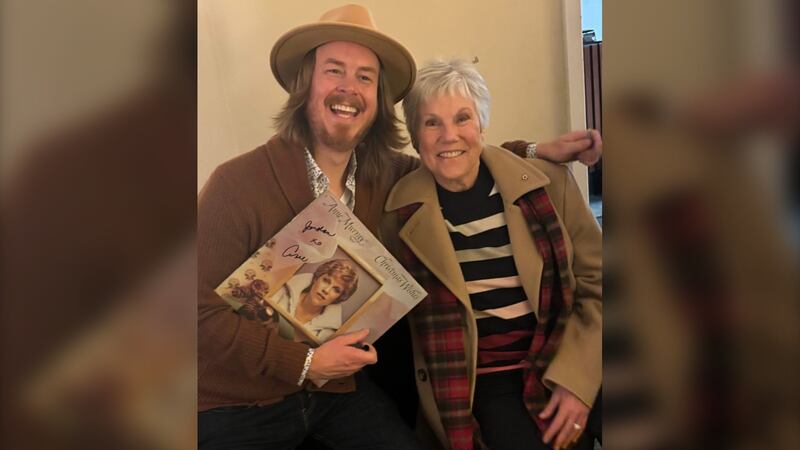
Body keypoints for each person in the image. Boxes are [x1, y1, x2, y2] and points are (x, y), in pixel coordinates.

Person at [198, 4, 601, 449]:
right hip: (238, 402)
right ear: (304, 84)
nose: (349, 88)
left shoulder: (386, 177)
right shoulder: (236, 185)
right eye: (334, 70)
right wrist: (304, 362)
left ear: (377, 99)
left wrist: (534, 150)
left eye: (365, 76)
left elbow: (458, 157)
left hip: (335, 395)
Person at [381, 59, 602, 450]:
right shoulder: (396, 213)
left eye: (462, 118)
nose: (449, 136)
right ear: (415, 138)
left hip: (571, 344)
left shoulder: (547, 183)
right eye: (431, 123)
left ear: (482, 126)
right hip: (488, 377)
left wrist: (577, 382)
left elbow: (600, 284)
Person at [272, 259, 359, 341]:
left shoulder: (328, 333)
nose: (326, 290)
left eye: (336, 290)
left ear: (339, 297)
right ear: (316, 279)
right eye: (326, 280)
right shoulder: (281, 290)